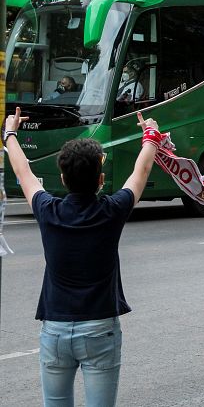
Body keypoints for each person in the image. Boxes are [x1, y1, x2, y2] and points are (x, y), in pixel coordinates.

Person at [3, 107, 158, 407]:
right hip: (101, 330)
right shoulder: (112, 211)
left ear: (62, 177)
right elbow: (141, 172)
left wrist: (10, 133)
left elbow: (23, 172)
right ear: (101, 179)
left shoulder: (48, 210)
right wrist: (150, 136)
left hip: (55, 332)